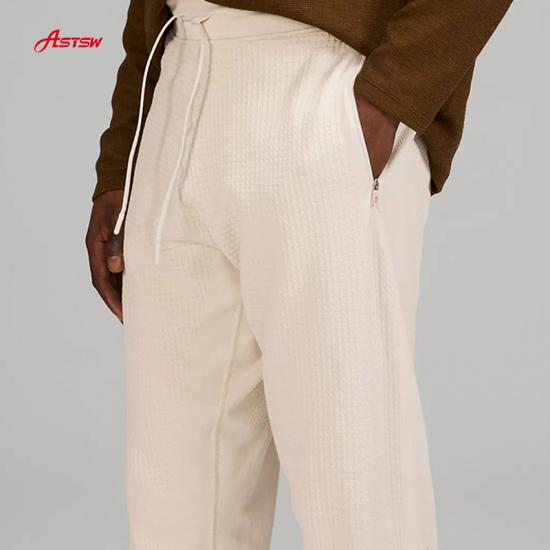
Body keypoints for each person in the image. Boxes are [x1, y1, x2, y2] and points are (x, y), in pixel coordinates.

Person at [86, 0, 512, 548]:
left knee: (355, 492)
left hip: (321, 78)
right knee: (174, 506)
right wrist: (121, 159)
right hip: (176, 83)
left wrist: (388, 98)